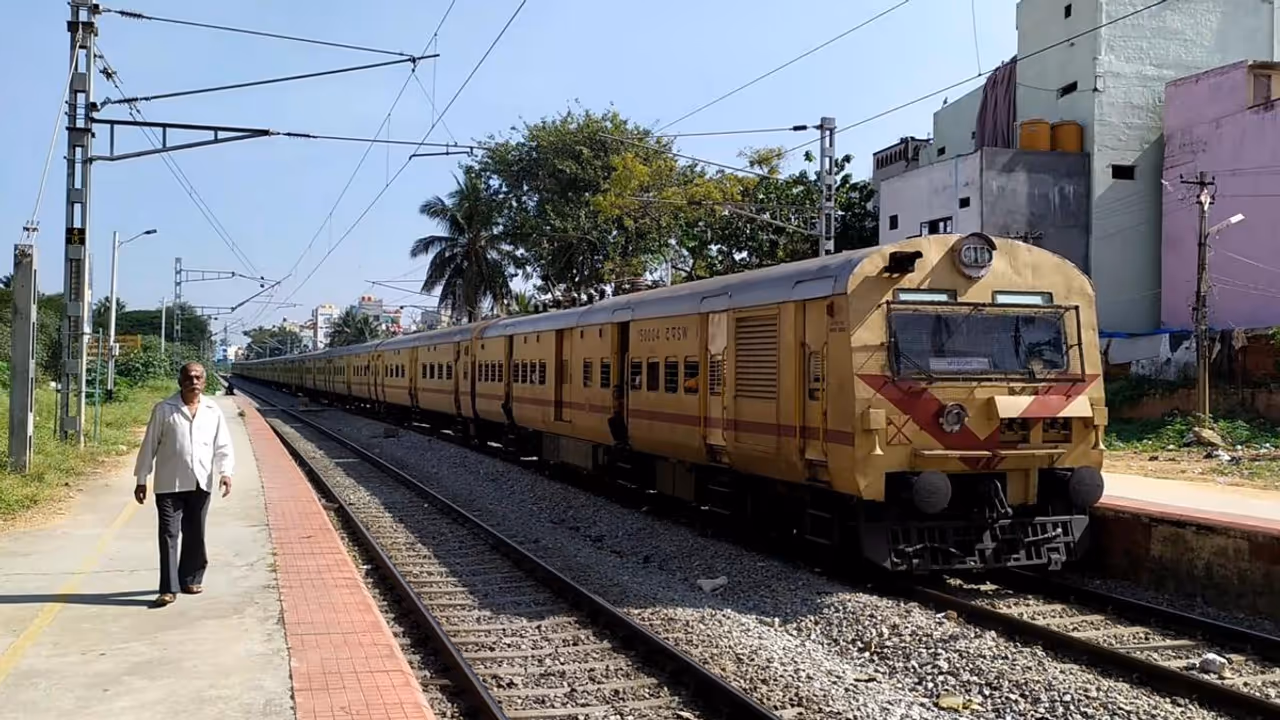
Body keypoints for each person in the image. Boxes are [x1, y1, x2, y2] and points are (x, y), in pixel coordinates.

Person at [133, 362, 234, 607]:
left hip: (201, 482)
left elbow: (223, 445)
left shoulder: (213, 410)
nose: (193, 381)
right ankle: (168, 588)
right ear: (180, 381)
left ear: (205, 382)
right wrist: (141, 479)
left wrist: (225, 473)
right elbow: (149, 446)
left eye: (198, 377)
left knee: (195, 533)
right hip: (169, 483)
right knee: (169, 534)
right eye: (188, 377)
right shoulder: (164, 409)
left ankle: (190, 578)